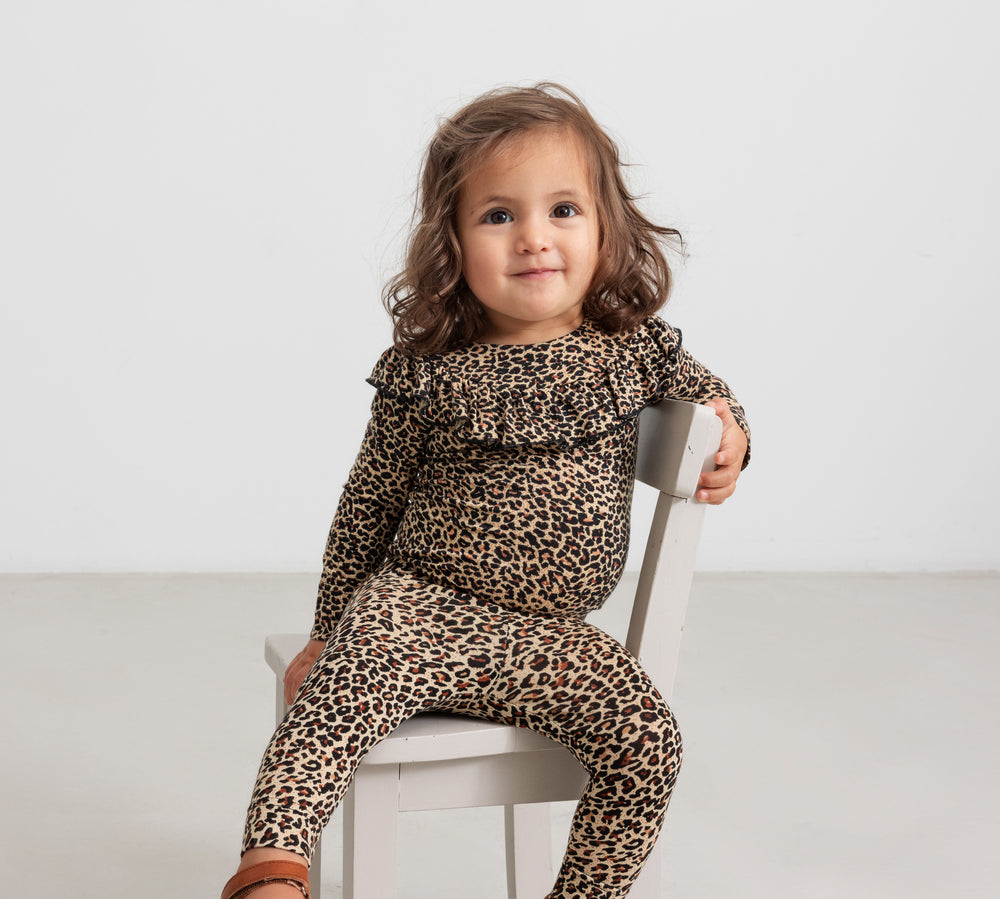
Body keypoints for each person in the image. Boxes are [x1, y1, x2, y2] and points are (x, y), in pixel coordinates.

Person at [222, 82, 749, 899]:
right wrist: (330, 628)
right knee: (332, 699)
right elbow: (367, 505)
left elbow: (711, 397)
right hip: (418, 612)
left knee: (649, 738)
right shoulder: (428, 369)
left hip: (547, 641)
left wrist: (732, 434)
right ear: (453, 242)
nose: (534, 237)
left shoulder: (633, 350)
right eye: (499, 215)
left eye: (563, 209)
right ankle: (273, 866)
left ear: (606, 227)